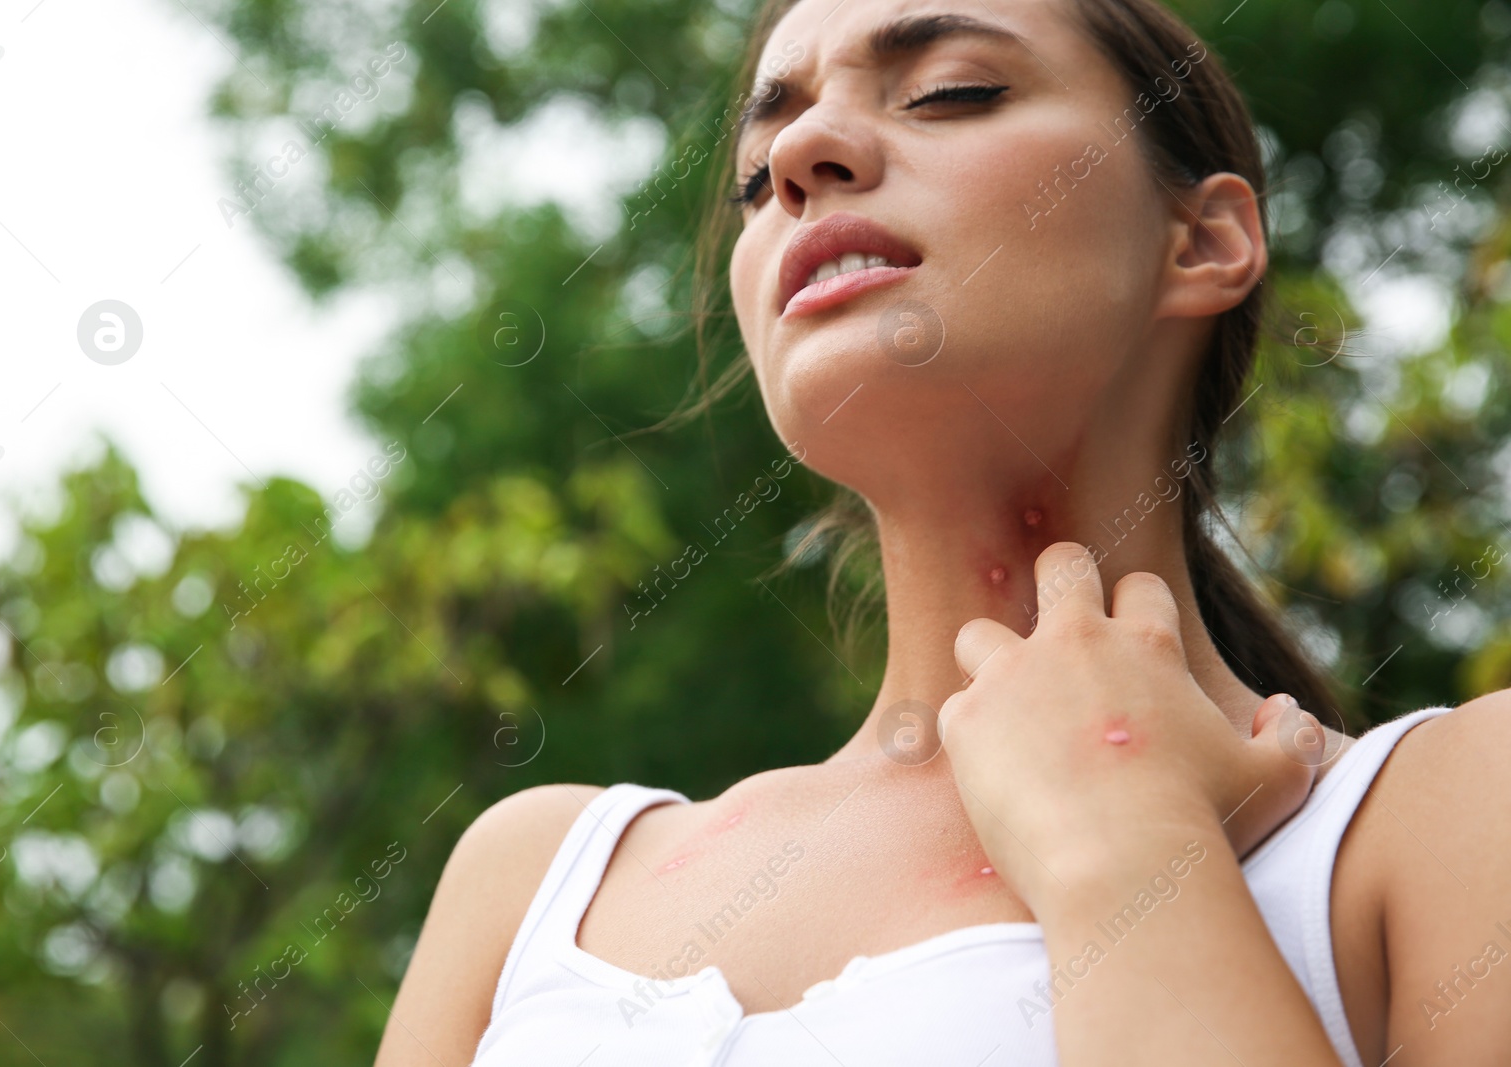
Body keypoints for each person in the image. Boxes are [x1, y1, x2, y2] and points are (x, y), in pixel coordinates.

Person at [375, 1, 1511, 1064]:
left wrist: (1124, 845)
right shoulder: (534, 877)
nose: (802, 156)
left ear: (1202, 240)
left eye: (950, 92)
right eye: (752, 176)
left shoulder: (1451, 807)